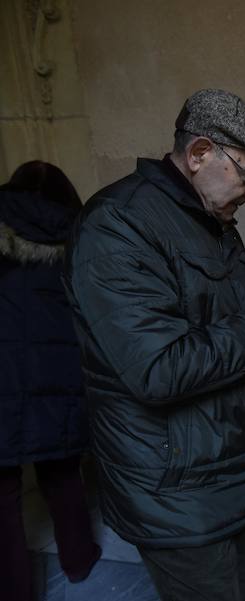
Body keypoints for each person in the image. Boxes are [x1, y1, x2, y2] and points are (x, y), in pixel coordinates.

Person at [63, 89, 245, 601]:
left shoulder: (211, 222)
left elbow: (234, 326)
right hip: (177, 494)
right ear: (200, 153)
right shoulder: (117, 225)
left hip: (237, 475)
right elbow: (158, 369)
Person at [0, 161, 102, 601]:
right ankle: (78, 560)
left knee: (1, 494)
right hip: (58, 380)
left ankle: (14, 589)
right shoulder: (82, 237)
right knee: (62, 474)